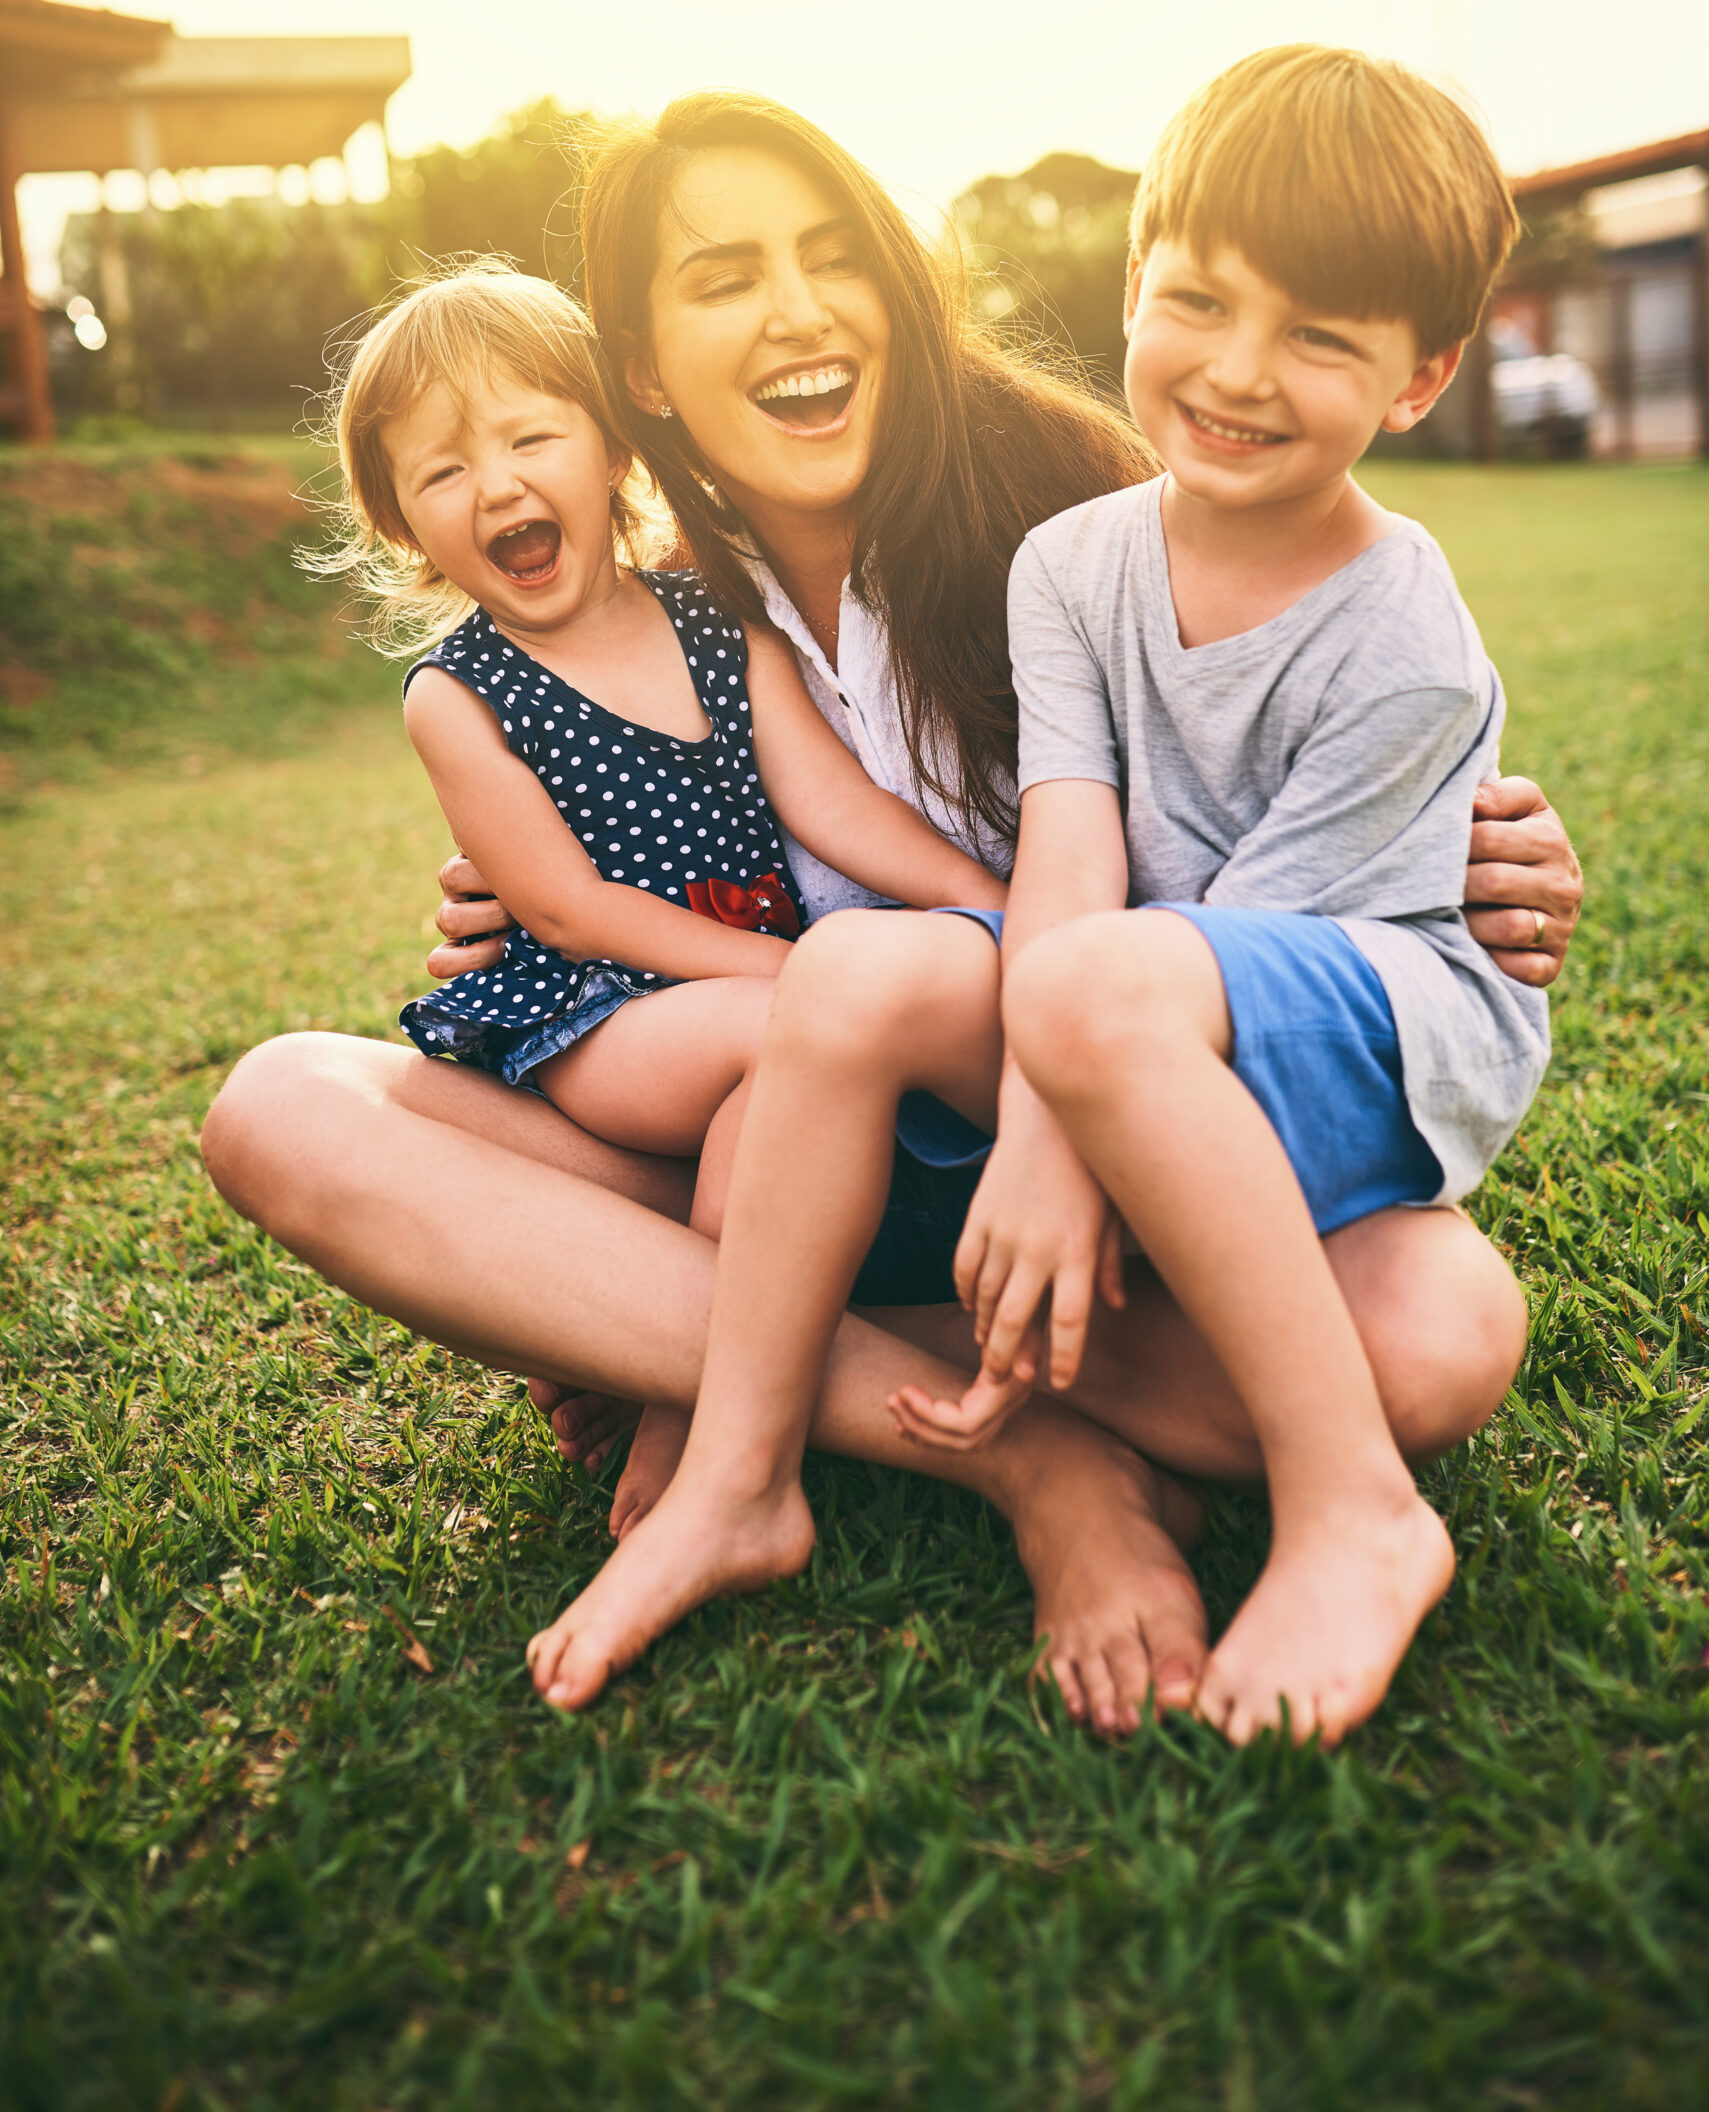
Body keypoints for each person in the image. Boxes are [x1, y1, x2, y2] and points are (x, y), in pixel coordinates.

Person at [200, 89, 1582, 1735]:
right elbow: (580, 890)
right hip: (785, 1134)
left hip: (1097, 1137)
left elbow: (1296, 750)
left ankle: (692, 1342)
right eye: (720, 278)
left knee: (1433, 1338)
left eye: (827, 253)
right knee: (284, 1110)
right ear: (641, 366)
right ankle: (1016, 1449)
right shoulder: (649, 606)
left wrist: (1491, 848)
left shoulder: (1073, 511)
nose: (791, 309)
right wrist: (527, 907)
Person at [315, 262, 1002, 1284]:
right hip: (602, 1019)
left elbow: (826, 801)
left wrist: (981, 898)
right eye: (442, 472)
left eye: (529, 437)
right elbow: (569, 910)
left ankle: (689, 1378)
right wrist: (798, 976)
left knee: (778, 1082)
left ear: (610, 449)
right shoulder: (460, 693)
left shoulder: (716, 616)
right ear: (402, 522)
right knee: (795, 1035)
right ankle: (699, 1399)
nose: (495, 483)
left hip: (739, 1002)